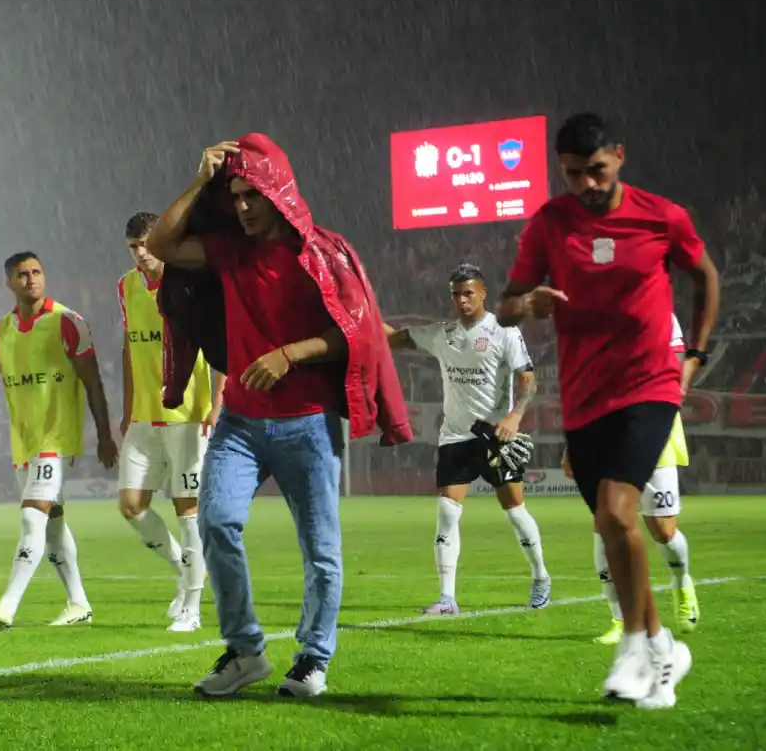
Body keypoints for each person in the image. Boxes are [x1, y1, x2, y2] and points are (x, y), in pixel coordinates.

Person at [147, 134, 412, 699]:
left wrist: (290, 352)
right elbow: (162, 244)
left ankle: (313, 660)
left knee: (320, 550)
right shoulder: (228, 250)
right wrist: (200, 180)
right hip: (239, 423)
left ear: (278, 192)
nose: (241, 206)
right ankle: (245, 652)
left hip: (307, 422)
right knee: (215, 523)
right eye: (235, 195)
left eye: (252, 196)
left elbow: (357, 334)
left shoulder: (322, 252)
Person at [497, 113, 719, 709]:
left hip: (649, 387)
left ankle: (633, 647)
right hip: (585, 394)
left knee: (621, 510)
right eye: (573, 174)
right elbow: (505, 306)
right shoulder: (549, 224)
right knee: (612, 525)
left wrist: (693, 355)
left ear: (619, 156)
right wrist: (529, 302)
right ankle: (663, 652)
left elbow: (705, 275)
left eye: (596, 170)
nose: (587, 184)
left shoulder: (660, 216)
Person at [0, 252, 118, 628]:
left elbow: (93, 381)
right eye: (22, 274)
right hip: (24, 441)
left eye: (37, 272)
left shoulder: (68, 322)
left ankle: (8, 605)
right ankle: (78, 604)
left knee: (31, 517)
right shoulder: (0, 331)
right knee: (52, 524)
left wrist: (104, 435)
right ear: (9, 283)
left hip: (58, 437)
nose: (31, 279)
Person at [384, 263, 551, 614]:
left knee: (515, 513)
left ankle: (540, 575)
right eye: (455, 294)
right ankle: (447, 598)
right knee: (447, 511)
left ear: (483, 293)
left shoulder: (503, 332)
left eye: (467, 293)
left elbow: (527, 378)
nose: (461, 300)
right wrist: (362, 318)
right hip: (455, 437)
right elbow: (393, 339)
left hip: (495, 436)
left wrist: (515, 415)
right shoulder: (441, 333)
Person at [116, 211, 225, 633]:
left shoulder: (192, 282)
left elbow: (218, 343)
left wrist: (217, 401)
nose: (140, 254)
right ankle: (186, 568)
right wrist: (127, 409)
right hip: (145, 417)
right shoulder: (126, 287)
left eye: (146, 244)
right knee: (131, 506)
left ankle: (192, 608)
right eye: (132, 247)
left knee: (188, 510)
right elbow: (129, 349)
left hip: (188, 416)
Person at [572, 313, 699, 644]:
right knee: (606, 522)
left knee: (663, 531)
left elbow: (674, 369)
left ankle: (681, 581)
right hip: (605, 429)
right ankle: (618, 618)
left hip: (650, 425)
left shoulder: (661, 313)